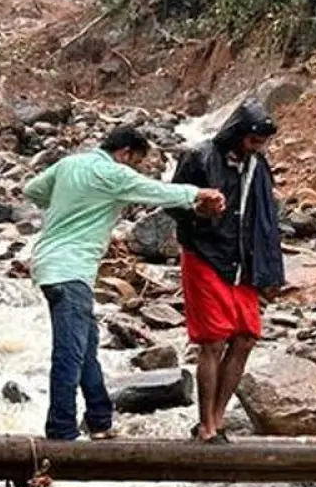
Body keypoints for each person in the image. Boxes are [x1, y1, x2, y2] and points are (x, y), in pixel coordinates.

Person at [24, 126, 225, 442]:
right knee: (70, 353)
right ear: (125, 153)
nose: (131, 170)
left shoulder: (69, 165)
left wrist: (68, 204)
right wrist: (199, 194)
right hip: (71, 268)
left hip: (50, 264)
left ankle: (100, 419)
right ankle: (60, 431)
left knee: (86, 346)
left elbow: (33, 190)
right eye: (134, 163)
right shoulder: (112, 173)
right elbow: (154, 190)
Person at [171, 100, 285, 443]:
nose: (257, 147)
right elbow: (173, 201)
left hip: (243, 261)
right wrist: (199, 213)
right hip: (206, 255)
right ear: (238, 133)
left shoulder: (257, 165)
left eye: (261, 142)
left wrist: (270, 271)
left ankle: (219, 418)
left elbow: (265, 219)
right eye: (253, 140)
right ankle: (206, 425)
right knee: (213, 341)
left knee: (246, 338)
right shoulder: (200, 157)